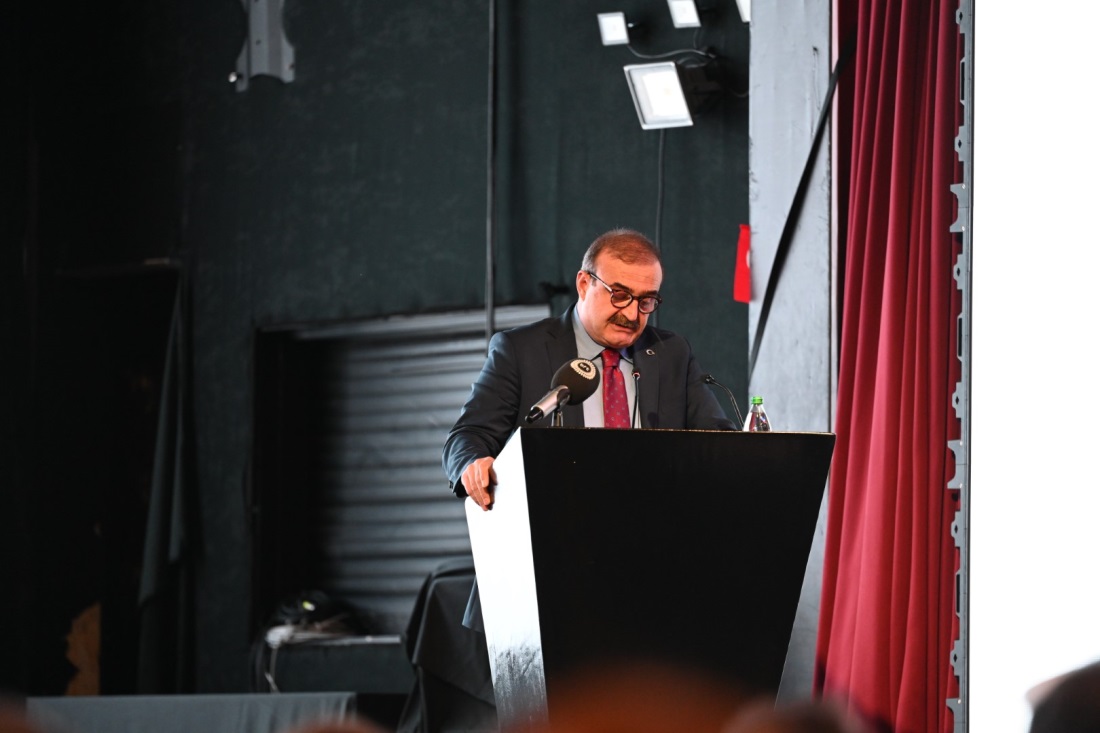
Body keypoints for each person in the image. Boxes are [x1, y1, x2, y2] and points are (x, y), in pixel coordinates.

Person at [443, 227, 736, 509]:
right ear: (584, 284)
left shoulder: (671, 353)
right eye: (619, 295)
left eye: (646, 301)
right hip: (557, 524)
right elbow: (469, 435)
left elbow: (718, 442)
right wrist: (473, 464)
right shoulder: (521, 350)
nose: (632, 314)